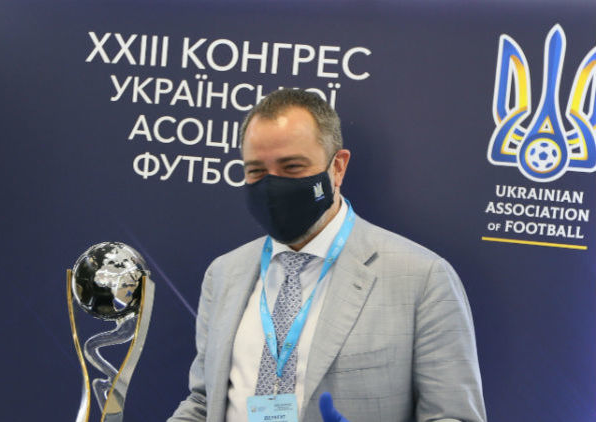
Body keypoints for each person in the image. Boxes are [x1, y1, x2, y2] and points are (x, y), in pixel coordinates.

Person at [168, 89, 486, 422]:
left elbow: (454, 416)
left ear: (337, 167)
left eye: (292, 167)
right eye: (257, 171)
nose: (272, 186)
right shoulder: (224, 273)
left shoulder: (423, 278)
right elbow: (204, 402)